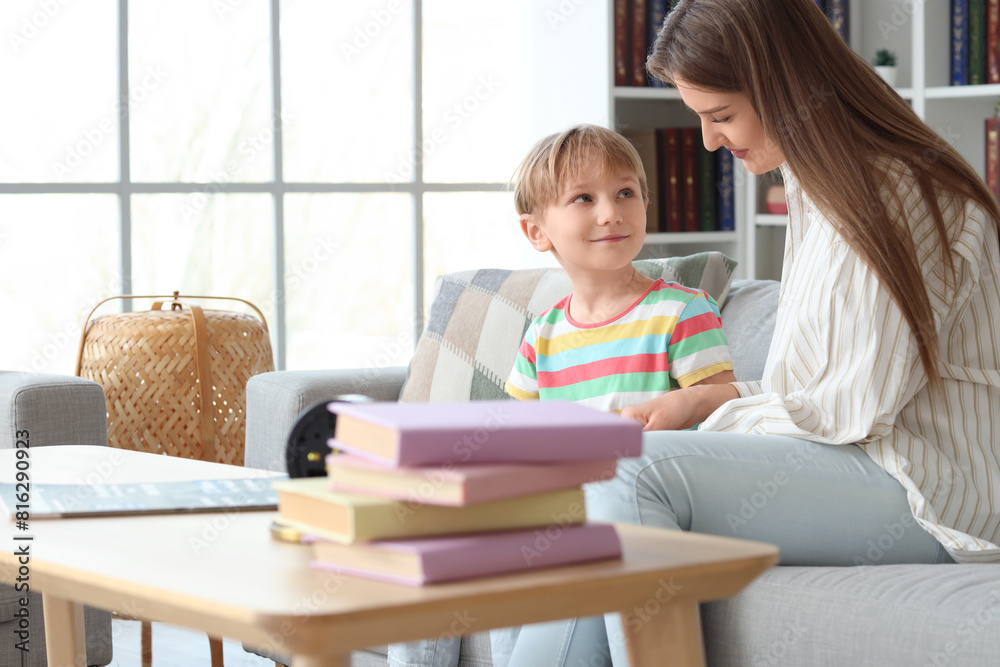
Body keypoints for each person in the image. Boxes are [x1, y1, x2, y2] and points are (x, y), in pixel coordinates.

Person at [494, 0, 1000, 665]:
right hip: (870, 458)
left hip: (924, 488)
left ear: (783, 87)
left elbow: (844, 408)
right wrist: (698, 403)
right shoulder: (825, 189)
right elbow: (831, 384)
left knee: (628, 472)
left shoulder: (888, 190)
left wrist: (708, 412)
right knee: (577, 530)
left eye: (721, 116)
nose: (708, 141)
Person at [503, 123, 735, 413]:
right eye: (583, 198)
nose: (611, 214)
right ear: (536, 231)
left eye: (625, 193)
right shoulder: (540, 338)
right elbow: (520, 437)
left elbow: (730, 418)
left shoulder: (683, 313)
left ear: (645, 205)